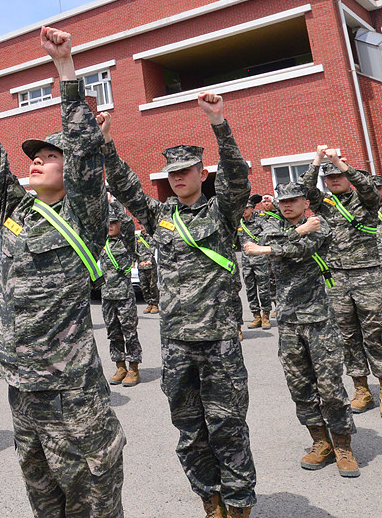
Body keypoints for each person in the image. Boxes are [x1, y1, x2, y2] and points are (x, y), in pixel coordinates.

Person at [0, 27, 125, 517]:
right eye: (34, 155)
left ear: (68, 169)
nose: (36, 161)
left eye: (49, 157)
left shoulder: (84, 214)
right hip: (21, 382)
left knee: (92, 496)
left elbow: (87, 155)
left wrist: (66, 70)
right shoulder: (17, 210)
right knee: (43, 496)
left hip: (71, 386)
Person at [102, 90, 256, 517]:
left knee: (228, 427)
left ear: (200, 172)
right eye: (172, 173)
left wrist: (219, 123)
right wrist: (107, 143)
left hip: (219, 342)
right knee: (189, 431)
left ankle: (239, 504)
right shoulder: (159, 217)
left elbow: (237, 178)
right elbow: (125, 186)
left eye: (186, 170)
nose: (178, 178)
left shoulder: (221, 212)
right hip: (176, 345)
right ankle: (211, 500)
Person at [244, 182, 359, 477]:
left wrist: (276, 245)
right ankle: (320, 442)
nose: (287, 205)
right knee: (300, 387)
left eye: (293, 200)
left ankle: (343, 445)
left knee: (331, 386)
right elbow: (277, 248)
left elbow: (297, 250)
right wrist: (295, 233)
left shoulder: (319, 226)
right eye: (282, 201)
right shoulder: (271, 227)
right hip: (289, 323)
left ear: (304, 201)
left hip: (319, 320)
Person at [301, 147, 382, 415]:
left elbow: (369, 188)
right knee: (347, 335)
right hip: (335, 277)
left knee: (375, 333)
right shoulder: (324, 204)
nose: (334, 180)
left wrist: (338, 162)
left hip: (367, 273)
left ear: (347, 177)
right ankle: (361, 388)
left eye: (338, 176)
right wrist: (318, 160)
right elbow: (305, 189)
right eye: (330, 177)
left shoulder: (365, 201)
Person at [101, 201, 142, 387]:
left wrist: (114, 203)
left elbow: (128, 223)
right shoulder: (103, 243)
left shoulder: (126, 241)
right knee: (113, 333)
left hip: (124, 296)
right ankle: (120, 366)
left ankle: (134, 367)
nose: (110, 226)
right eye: (108, 222)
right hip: (107, 296)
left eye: (114, 222)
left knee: (129, 333)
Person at [237, 194, 273, 330]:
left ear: (252, 209)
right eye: (242, 208)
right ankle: (256, 316)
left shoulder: (259, 221)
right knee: (250, 290)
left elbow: (269, 231)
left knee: (264, 289)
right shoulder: (239, 223)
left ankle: (266, 316)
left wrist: (261, 246)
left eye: (247, 208)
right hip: (246, 261)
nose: (244, 211)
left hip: (261, 260)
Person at [136, 228, 159, 314]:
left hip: (150, 265)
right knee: (144, 286)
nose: (143, 227)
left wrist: (149, 260)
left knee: (152, 285)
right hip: (141, 265)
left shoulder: (151, 236)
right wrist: (139, 260)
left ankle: (155, 304)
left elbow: (152, 248)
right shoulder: (137, 237)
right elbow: (135, 250)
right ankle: (149, 303)